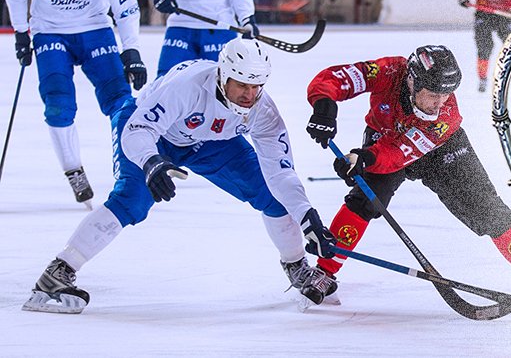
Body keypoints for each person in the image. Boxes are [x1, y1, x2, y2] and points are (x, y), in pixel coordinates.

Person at [22, 37, 338, 314]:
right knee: (132, 200)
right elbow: (138, 130)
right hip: (151, 133)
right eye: (242, 85)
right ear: (223, 74)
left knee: (272, 195)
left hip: (210, 141)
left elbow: (281, 173)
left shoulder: (263, 110)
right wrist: (151, 162)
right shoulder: (187, 86)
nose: (249, 94)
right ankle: (57, 273)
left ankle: (297, 267)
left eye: (257, 86)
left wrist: (306, 216)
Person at [304, 45, 511, 300]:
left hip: (441, 147)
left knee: (487, 210)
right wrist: (324, 106)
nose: (439, 103)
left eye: (446, 94)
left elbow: (398, 154)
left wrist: (365, 158)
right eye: (432, 94)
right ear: (412, 81)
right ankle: (325, 271)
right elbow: (339, 78)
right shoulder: (389, 71)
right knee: (365, 200)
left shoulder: (445, 117)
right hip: (385, 136)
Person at [5, 0, 147, 208]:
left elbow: (127, 8)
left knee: (119, 98)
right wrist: (21, 33)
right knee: (58, 103)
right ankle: (74, 171)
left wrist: (131, 51)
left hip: (95, 32)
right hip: (51, 33)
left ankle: (136, 164)